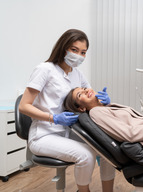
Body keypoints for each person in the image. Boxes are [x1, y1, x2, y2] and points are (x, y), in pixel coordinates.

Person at [19, 29, 115, 192]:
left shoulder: (77, 74)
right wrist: (54, 118)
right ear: (63, 47)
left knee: (108, 149)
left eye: (83, 52)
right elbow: (24, 106)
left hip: (69, 132)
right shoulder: (45, 69)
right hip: (44, 134)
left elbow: (90, 98)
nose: (79, 55)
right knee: (85, 155)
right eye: (74, 50)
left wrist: (103, 100)